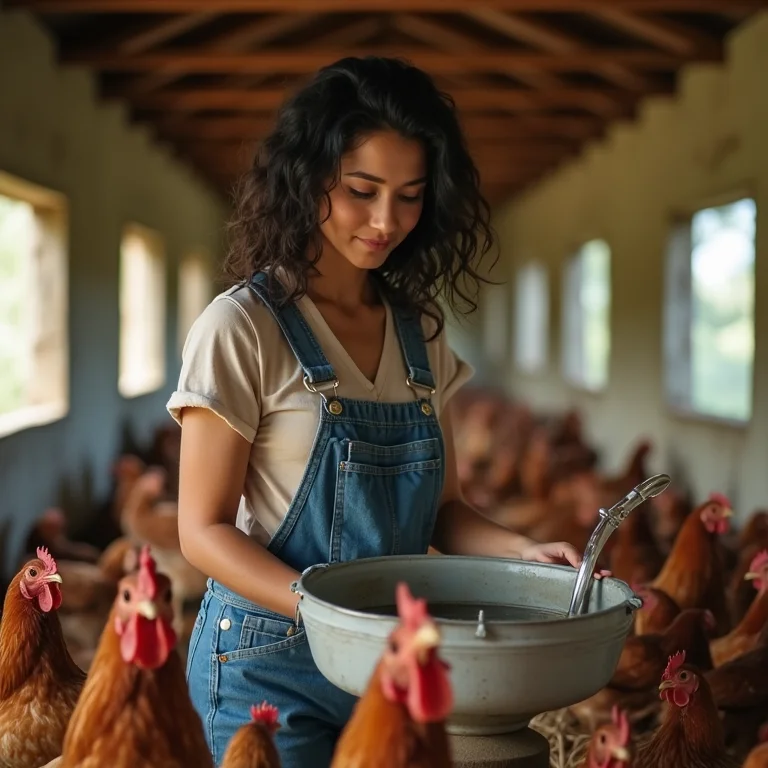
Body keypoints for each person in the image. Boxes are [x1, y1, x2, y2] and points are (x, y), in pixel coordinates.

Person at [169, 56, 589, 768]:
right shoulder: (241, 327)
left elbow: (445, 509)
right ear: (309, 180)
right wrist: (324, 610)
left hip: (389, 667)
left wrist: (523, 554)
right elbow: (201, 532)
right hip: (269, 667)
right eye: (361, 191)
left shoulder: (419, 333)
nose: (386, 220)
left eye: (410, 196)